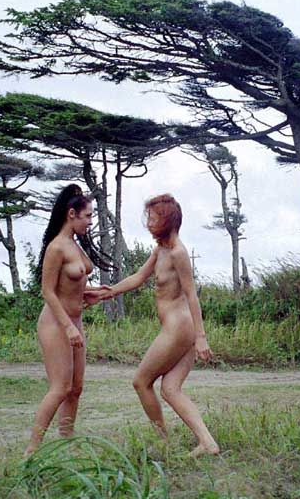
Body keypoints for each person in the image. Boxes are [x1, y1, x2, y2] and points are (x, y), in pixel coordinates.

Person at [89, 193, 220, 456]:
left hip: (179, 327)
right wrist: (107, 292)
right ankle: (208, 443)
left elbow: (192, 294)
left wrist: (201, 337)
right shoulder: (160, 250)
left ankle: (163, 441)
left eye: (153, 218)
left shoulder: (178, 253)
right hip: (179, 327)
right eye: (148, 218)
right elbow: (139, 276)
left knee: (141, 381)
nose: (148, 223)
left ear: (167, 220)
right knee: (170, 389)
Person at [24, 184, 109, 457]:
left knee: (76, 389)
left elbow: (70, 286)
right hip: (56, 324)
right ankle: (31, 452)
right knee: (60, 388)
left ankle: (66, 442)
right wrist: (68, 326)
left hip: (74, 322)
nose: (90, 222)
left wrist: (90, 293)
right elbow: (48, 292)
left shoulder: (75, 245)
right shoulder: (57, 247)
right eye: (88, 216)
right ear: (72, 214)